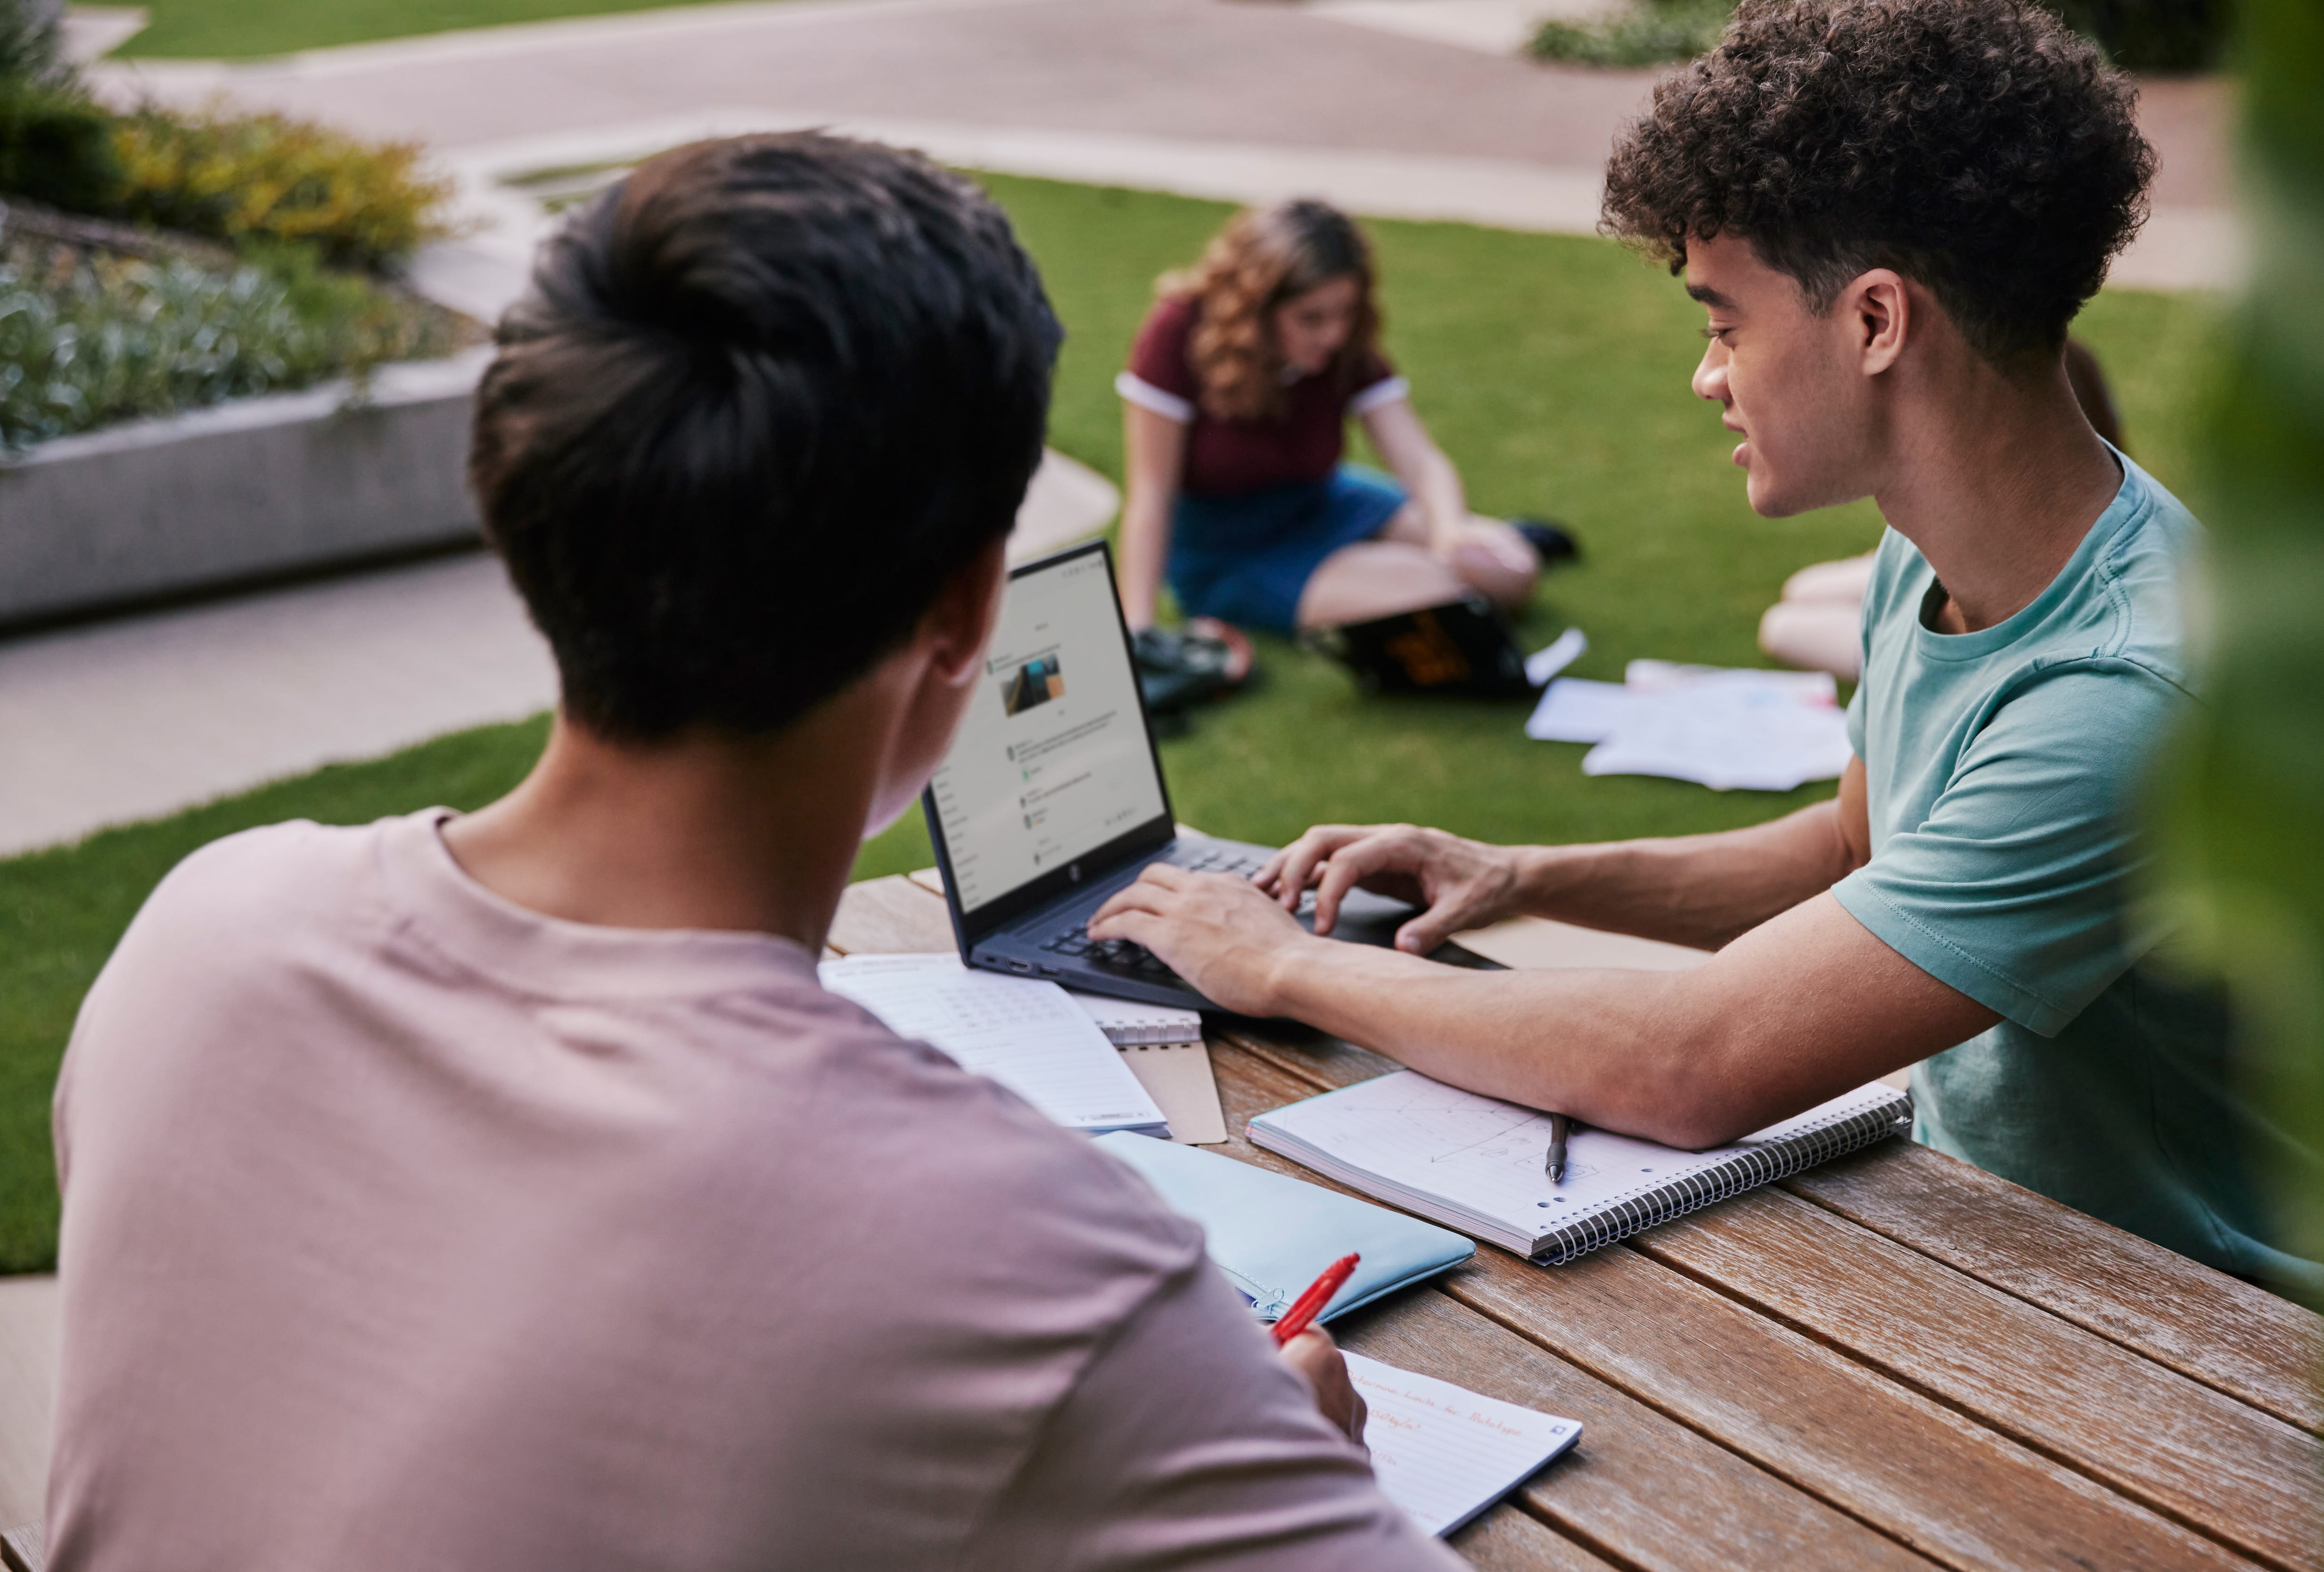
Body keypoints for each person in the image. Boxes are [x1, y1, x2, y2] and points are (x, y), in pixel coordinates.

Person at [45, 134, 1462, 1570]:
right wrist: (1288, 1460)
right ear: (969, 610)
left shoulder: (202, 934)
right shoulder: (1023, 1260)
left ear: (524, 507)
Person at [1088, 0, 2324, 1298]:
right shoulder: (1941, 551)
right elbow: (1854, 853)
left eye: (1724, 322)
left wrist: (1285, 963)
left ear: (1876, 322)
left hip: (2192, 1334)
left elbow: (1695, 1063)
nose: (1707, 374)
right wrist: (1517, 873)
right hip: (2007, 1241)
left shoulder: (2123, 691)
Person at [1115, 198, 1563, 636]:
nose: (1333, 334)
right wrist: (1139, 631)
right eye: (1311, 318)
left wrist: (1449, 529)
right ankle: (1372, 572)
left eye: (1346, 312)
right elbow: (1151, 495)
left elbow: (1418, 458)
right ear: (1257, 307)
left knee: (1511, 572)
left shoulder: (1344, 343)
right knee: (1441, 593)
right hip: (1230, 551)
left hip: (1323, 502)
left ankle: (1395, 559)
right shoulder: (1180, 331)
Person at [1760, 338, 2131, 677]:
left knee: (1784, 626)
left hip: (1960, 614)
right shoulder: (2099, 477)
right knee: (1801, 595)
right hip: (1945, 570)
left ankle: (1891, 646)